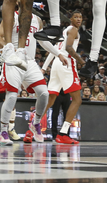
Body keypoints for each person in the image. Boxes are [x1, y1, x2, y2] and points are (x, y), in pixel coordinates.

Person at [0, 2, 51, 145]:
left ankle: (36, 124)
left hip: (30, 61)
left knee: (44, 93)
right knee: (12, 96)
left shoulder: (37, 20)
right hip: (14, 60)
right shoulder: (11, 16)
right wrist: (10, 51)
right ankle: (3, 132)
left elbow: (42, 41)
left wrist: (57, 53)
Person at [40, 11, 85, 144]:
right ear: (70, 19)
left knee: (50, 99)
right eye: (75, 17)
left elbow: (54, 50)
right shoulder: (73, 30)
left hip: (56, 64)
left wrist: (44, 68)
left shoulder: (64, 31)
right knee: (77, 99)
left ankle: (32, 129)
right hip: (66, 62)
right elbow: (69, 48)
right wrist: (81, 61)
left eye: (80, 17)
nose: (78, 19)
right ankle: (63, 133)